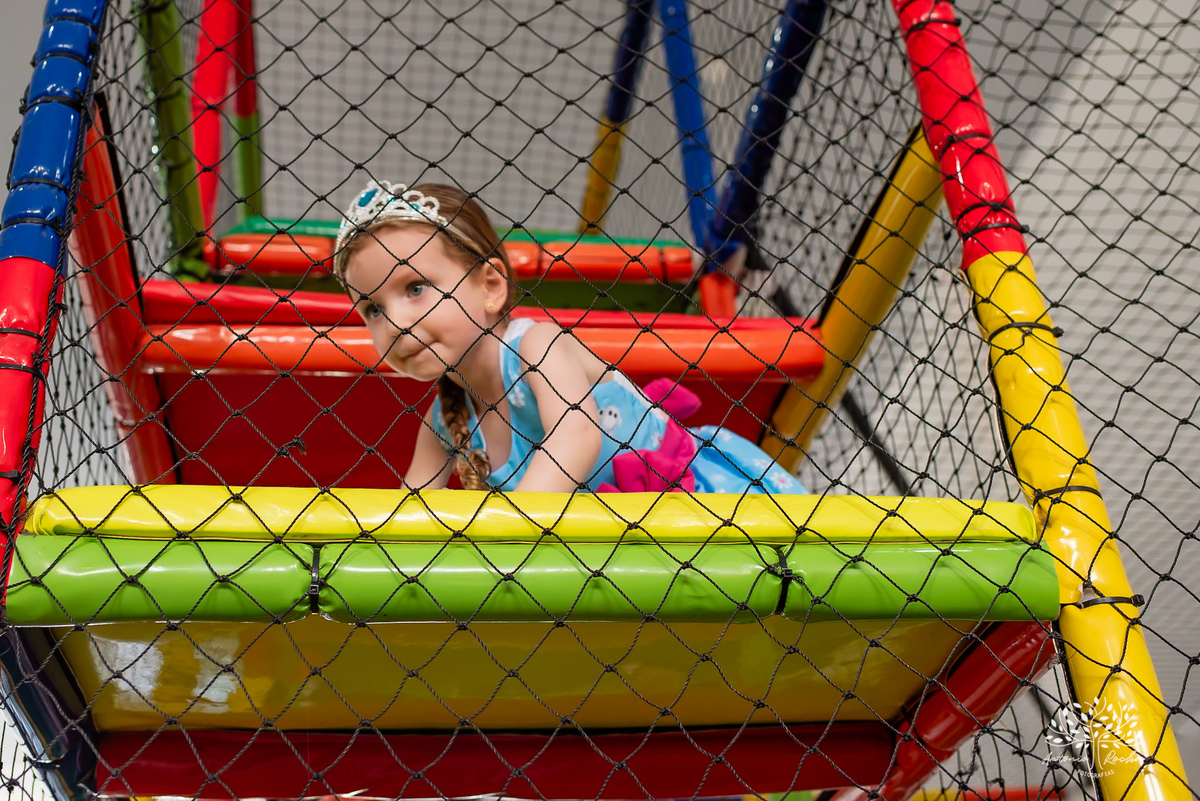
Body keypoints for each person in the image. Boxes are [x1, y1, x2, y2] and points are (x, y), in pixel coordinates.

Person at [333, 180, 807, 495]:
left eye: (415, 288)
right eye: (373, 308)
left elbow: (574, 435)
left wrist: (504, 542)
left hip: (706, 508)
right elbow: (411, 516)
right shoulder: (444, 423)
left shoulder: (535, 348)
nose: (393, 322)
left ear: (491, 286)